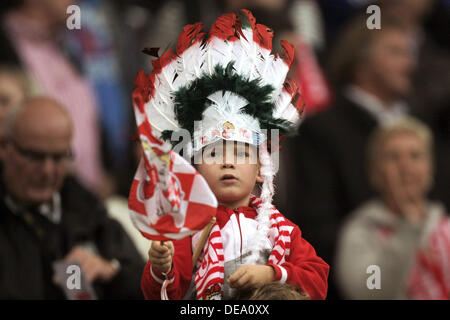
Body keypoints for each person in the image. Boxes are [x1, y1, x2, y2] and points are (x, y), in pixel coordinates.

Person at [135, 10, 329, 300]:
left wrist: (273, 273)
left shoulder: (282, 231)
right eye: (213, 154)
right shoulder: (187, 231)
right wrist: (161, 267)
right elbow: (161, 293)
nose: (227, 162)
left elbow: (318, 279)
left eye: (240, 153)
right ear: (196, 169)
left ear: (262, 169)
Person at [278, 14, 418, 299]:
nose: (409, 64)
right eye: (395, 52)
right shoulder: (323, 130)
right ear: (360, 60)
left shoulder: (421, 124)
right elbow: (317, 227)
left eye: (409, 54)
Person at [0, 96, 145, 299]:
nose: (48, 171)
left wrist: (112, 273)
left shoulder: (84, 207)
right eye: (35, 156)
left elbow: (149, 286)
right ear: (5, 147)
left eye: (59, 157)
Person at [335, 117, 450, 299]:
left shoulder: (445, 228)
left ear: (430, 169)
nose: (406, 167)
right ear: (375, 173)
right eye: (393, 157)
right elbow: (369, 292)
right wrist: (407, 231)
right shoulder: (361, 231)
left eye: (415, 156)